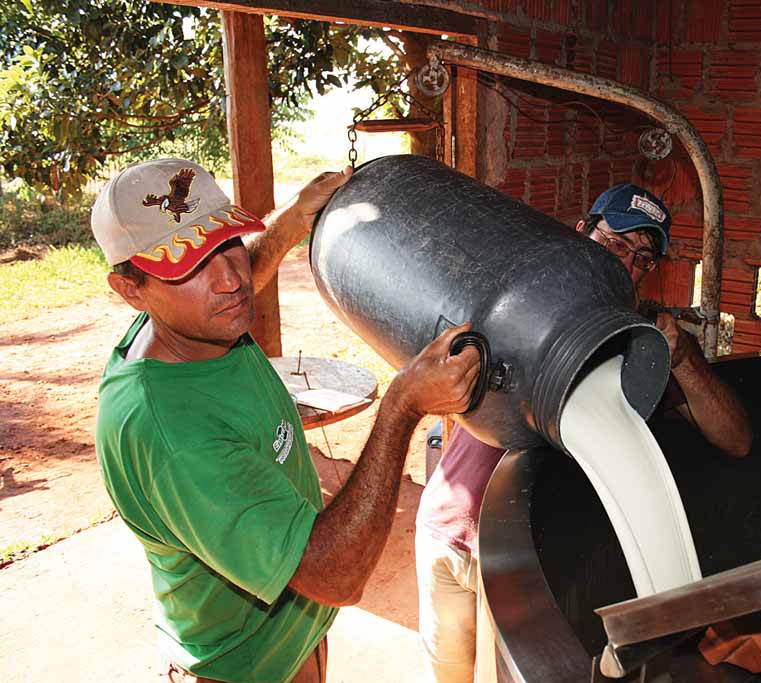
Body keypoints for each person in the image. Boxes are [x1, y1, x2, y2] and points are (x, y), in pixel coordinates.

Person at [91, 158, 481, 683]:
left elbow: (235, 275)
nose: (231, 280)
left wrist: (292, 222)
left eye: (225, 242)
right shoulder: (174, 434)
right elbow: (335, 576)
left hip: (292, 642)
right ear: (130, 290)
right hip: (247, 667)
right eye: (187, 264)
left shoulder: (194, 324)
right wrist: (401, 407)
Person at [414, 182, 753, 683]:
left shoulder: (639, 346)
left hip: (514, 567)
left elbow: (736, 439)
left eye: (642, 257)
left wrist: (683, 359)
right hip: (444, 529)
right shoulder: (517, 295)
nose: (626, 263)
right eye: (614, 242)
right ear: (581, 233)